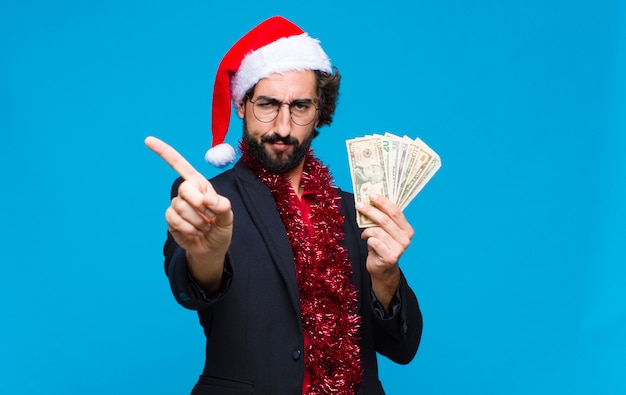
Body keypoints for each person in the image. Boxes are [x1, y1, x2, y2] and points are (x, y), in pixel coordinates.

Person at [145, 16, 422, 395]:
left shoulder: (359, 211)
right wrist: (206, 256)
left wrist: (386, 276)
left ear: (320, 112)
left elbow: (403, 348)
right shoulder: (206, 201)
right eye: (268, 105)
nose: (283, 127)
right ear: (242, 105)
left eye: (301, 107)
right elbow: (191, 288)